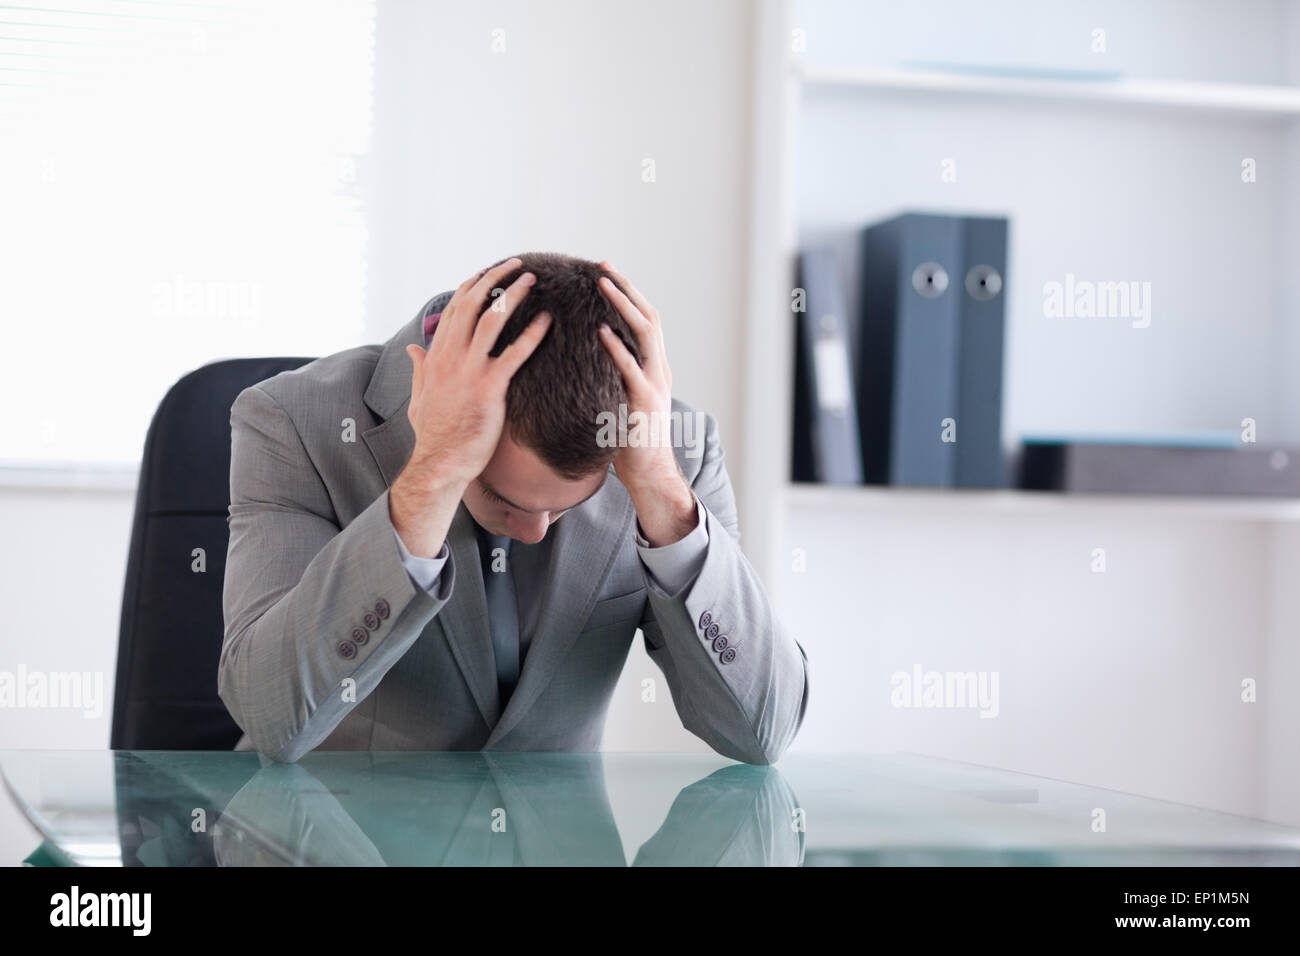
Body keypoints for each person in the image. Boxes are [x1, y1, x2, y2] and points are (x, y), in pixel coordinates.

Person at [218, 252, 809, 763]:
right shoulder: (292, 422)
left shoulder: (670, 449)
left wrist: (661, 490)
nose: (533, 532)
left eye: (563, 508)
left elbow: (765, 733)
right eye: (502, 497)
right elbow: (271, 717)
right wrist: (434, 474)